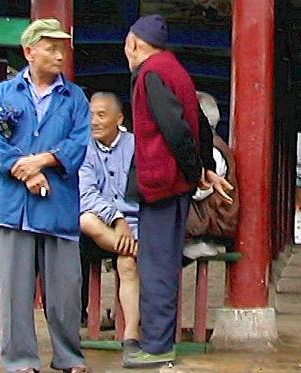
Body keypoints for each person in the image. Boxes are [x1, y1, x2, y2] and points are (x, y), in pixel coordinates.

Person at [120, 14, 231, 369]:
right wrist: (205, 168)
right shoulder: (176, 70)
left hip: (161, 183)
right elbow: (198, 121)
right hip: (175, 184)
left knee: (157, 267)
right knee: (163, 264)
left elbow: (176, 129)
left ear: (134, 43)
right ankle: (158, 342)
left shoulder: (152, 73)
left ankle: (156, 346)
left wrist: (195, 169)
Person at [0, 18, 91, 373]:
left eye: (62, 47)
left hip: (58, 203)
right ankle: (20, 361)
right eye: (51, 47)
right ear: (29, 52)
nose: (60, 54)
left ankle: (68, 357)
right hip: (13, 204)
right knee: (14, 291)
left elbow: (78, 144)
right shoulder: (2, 94)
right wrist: (26, 173)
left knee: (64, 291)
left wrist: (43, 160)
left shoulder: (74, 97)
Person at [77, 92, 140, 360]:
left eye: (101, 115)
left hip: (136, 222)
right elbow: (87, 194)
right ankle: (135, 251)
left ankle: (131, 335)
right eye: (91, 115)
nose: (94, 121)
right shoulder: (84, 148)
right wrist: (115, 218)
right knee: (84, 219)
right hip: (101, 223)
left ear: (120, 118)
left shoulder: (136, 145)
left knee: (126, 264)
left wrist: (126, 221)